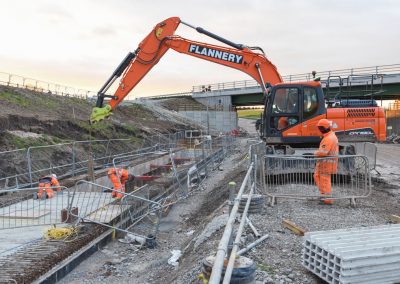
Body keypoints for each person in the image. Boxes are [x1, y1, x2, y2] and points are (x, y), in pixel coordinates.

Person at [313, 119, 338, 205]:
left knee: (324, 181)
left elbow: (323, 152)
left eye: (319, 128)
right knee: (317, 177)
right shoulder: (330, 136)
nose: (318, 130)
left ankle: (327, 199)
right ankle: (323, 195)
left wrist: (314, 153)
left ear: (322, 128)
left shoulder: (328, 138)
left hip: (326, 164)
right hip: (325, 163)